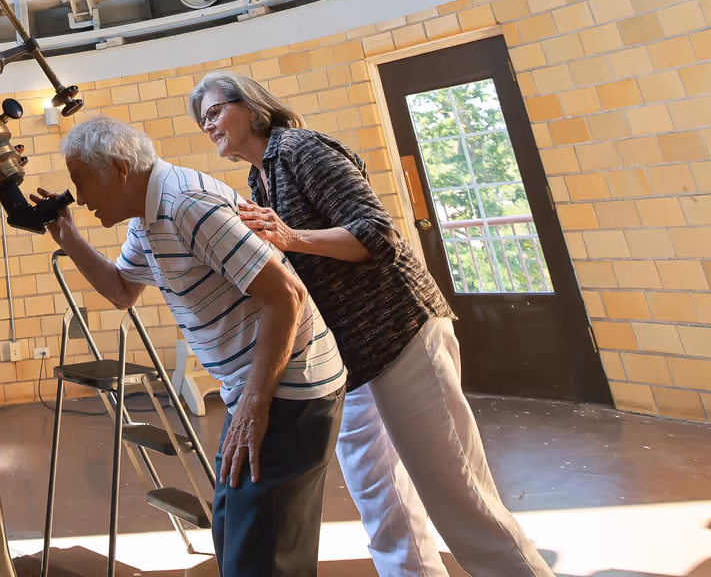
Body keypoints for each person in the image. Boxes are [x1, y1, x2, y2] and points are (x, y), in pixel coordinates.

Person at [187, 71, 553, 577]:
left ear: (249, 106)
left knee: (460, 495)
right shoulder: (258, 179)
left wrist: (293, 238)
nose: (208, 126)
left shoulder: (300, 148)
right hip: (351, 359)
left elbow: (376, 234)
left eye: (213, 112)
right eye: (201, 121)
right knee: (384, 506)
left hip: (401, 333)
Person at [34, 115, 343, 577]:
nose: (79, 197)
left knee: (262, 558)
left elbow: (287, 295)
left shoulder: (184, 205)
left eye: (81, 181)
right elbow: (122, 291)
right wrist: (70, 239)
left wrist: (254, 408)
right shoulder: (146, 214)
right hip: (255, 390)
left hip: (287, 391)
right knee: (234, 537)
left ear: (118, 168)